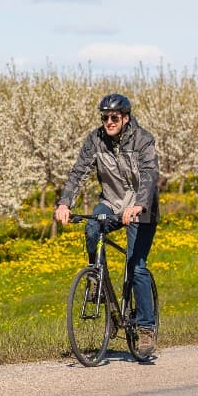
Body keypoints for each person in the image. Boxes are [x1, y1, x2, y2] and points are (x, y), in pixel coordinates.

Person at [54, 93, 161, 359]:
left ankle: (146, 329)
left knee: (136, 267)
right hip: (112, 203)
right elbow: (79, 171)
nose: (108, 122)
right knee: (92, 227)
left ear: (125, 118)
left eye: (114, 117)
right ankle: (96, 279)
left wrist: (139, 205)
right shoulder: (95, 139)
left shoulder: (143, 140)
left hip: (140, 209)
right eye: (104, 117)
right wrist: (65, 203)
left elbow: (149, 174)